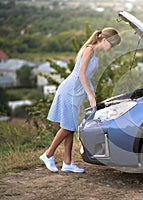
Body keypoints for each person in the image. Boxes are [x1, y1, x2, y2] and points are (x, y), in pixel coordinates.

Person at [39, 27, 121, 173]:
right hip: (69, 91)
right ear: (104, 40)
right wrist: (89, 94)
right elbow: (81, 74)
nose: (112, 49)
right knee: (67, 127)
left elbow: (87, 78)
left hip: (76, 94)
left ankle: (67, 163)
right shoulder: (89, 50)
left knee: (70, 127)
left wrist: (92, 94)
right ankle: (48, 154)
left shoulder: (96, 54)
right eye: (112, 45)